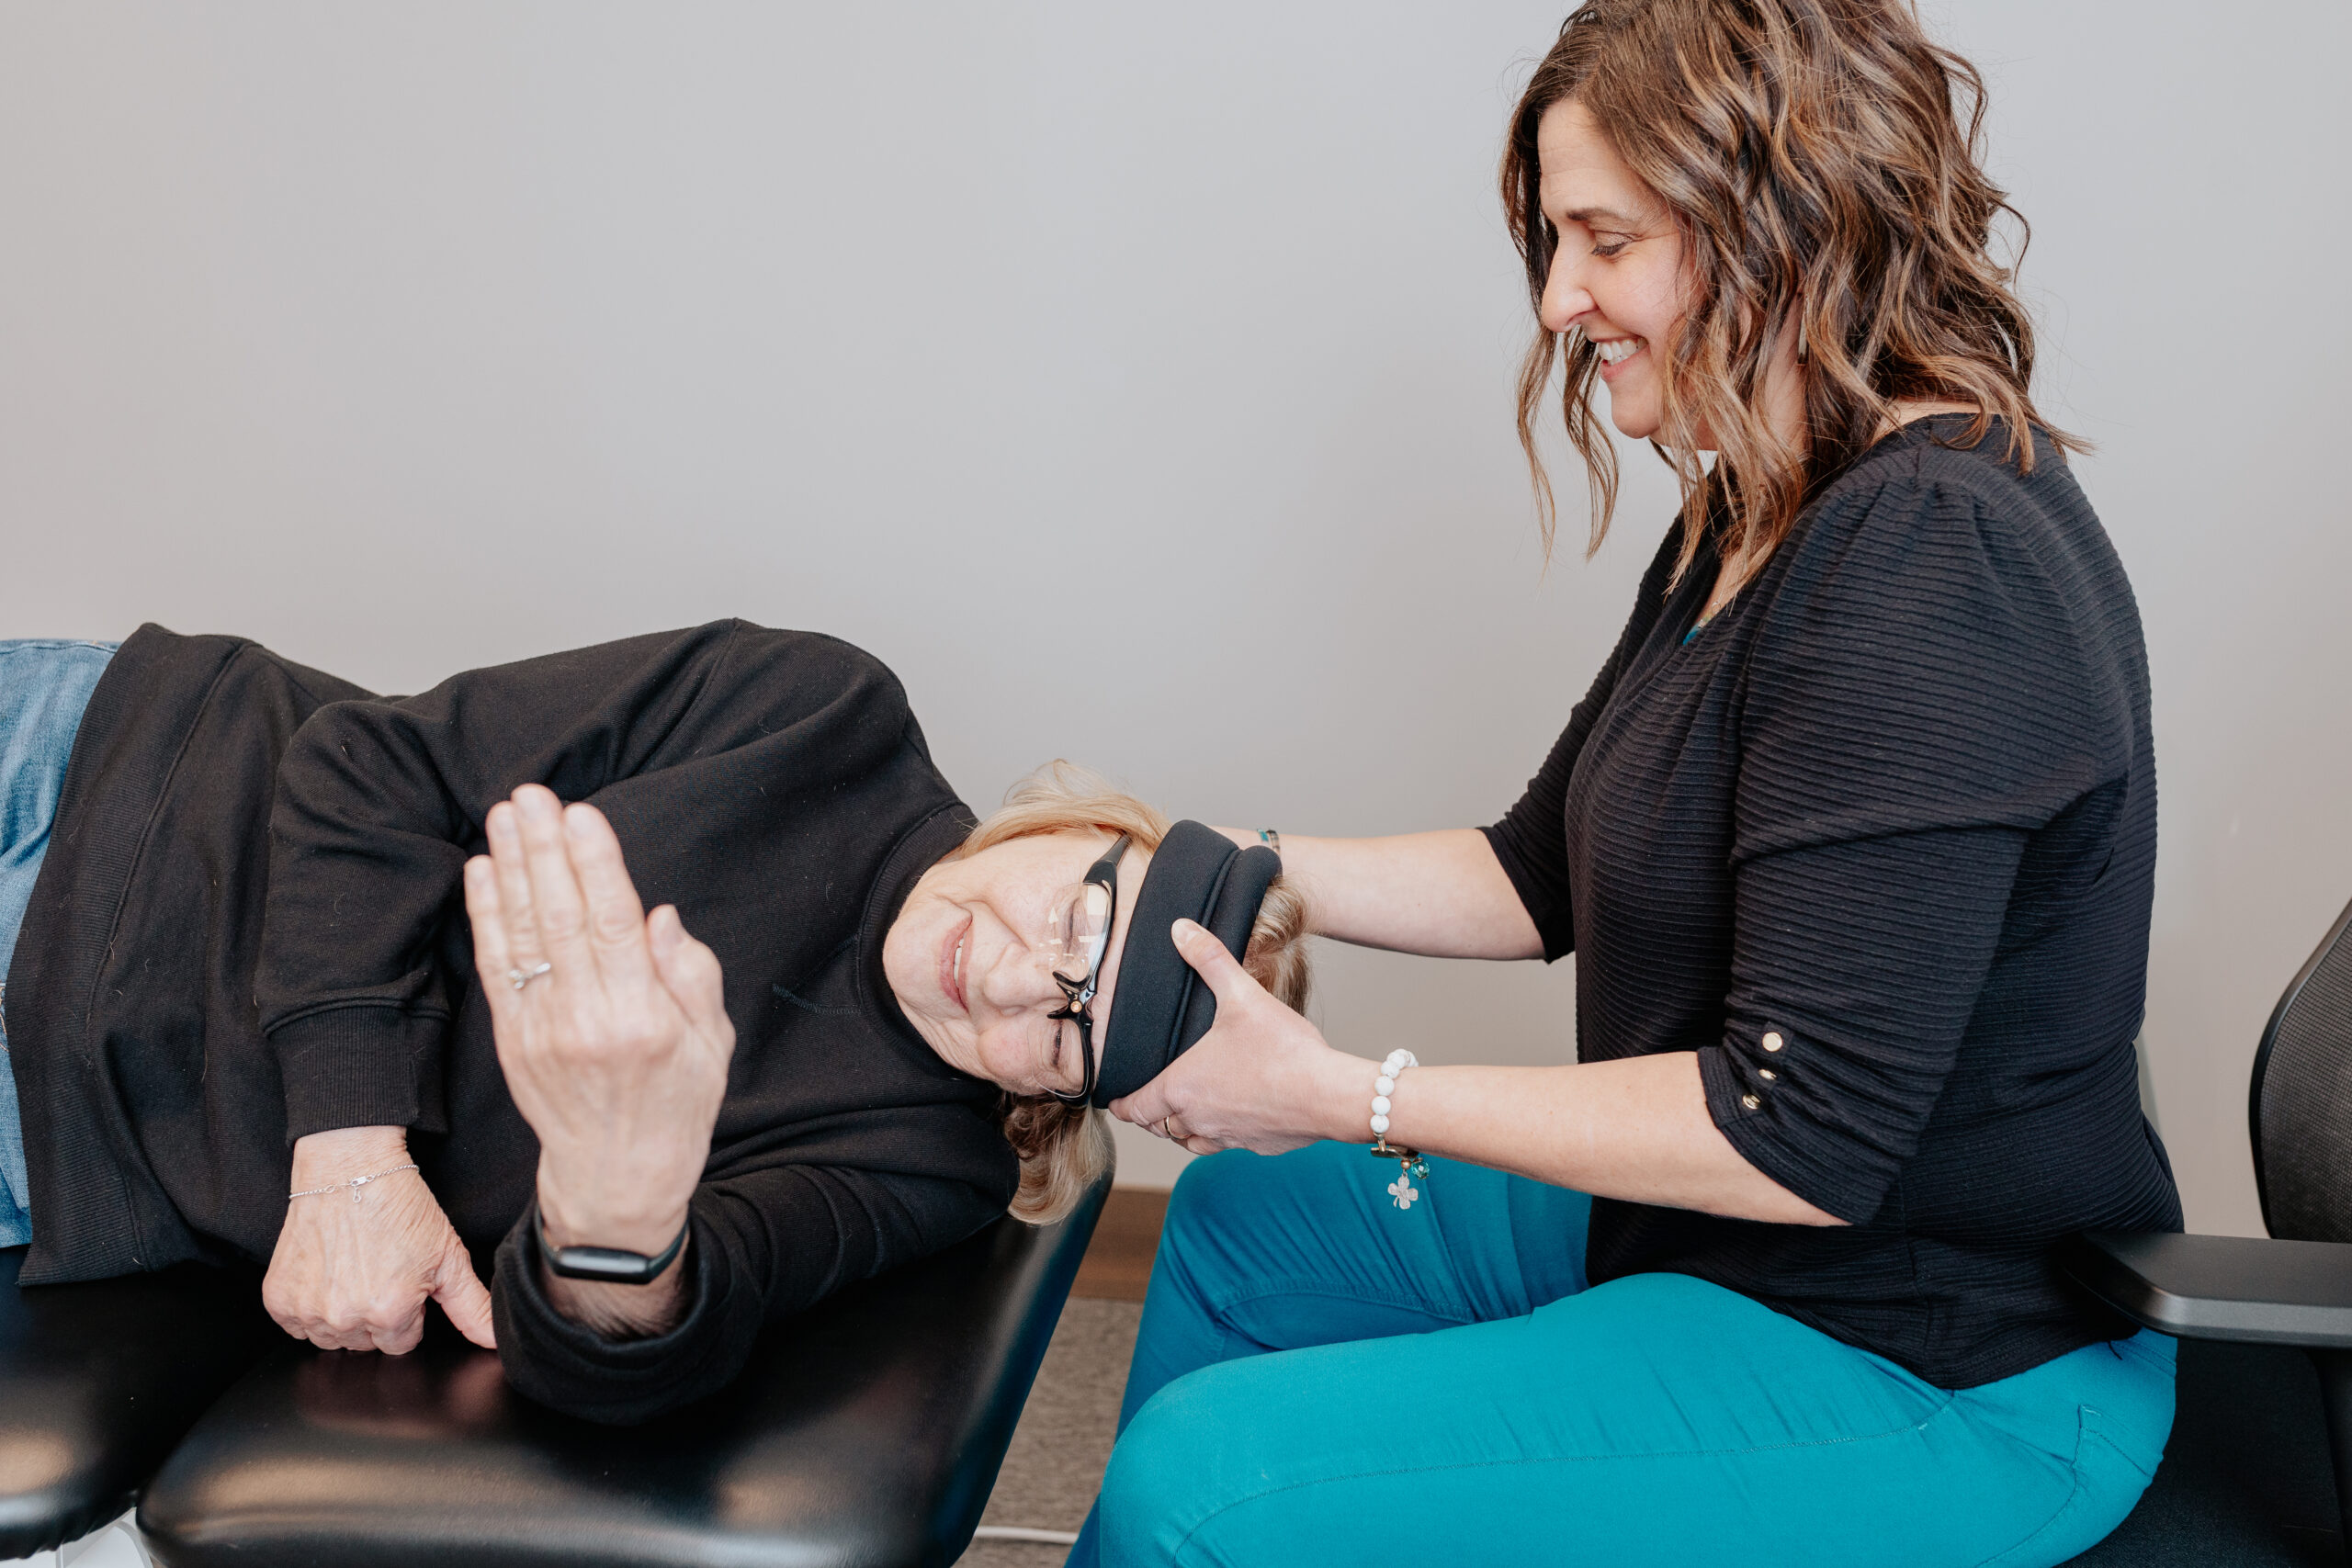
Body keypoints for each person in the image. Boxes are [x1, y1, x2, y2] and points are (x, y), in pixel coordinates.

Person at [1069, 1, 2179, 1563]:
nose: (1557, 298)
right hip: (1722, 1253)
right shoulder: (1764, 496)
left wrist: (1338, 1094)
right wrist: (1200, 866)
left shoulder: (1932, 560)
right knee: (1249, 1228)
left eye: (1604, 239)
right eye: (1553, 240)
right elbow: (1537, 872)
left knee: (1206, 1485)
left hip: (1935, 1354)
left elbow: (1791, 1136)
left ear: (1786, 219)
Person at [0, 622, 1307, 1424]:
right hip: (104, 762)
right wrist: (352, 1147)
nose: (1022, 979)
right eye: (1085, 919)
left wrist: (614, 1204)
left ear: (1067, 1098)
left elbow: (633, 1345)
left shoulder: (924, 1164)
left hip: (69, 1112)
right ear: (1085, 828)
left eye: (1075, 1032)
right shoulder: (825, 712)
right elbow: (367, 763)